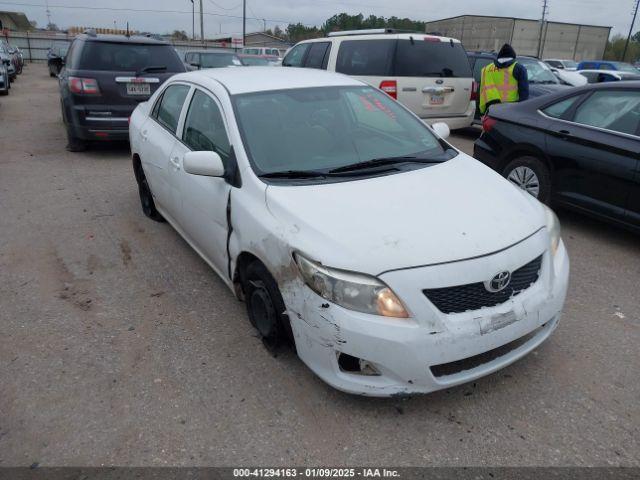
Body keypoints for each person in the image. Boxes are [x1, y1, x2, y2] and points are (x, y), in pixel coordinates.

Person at [479, 44, 529, 115]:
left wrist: (482, 111)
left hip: (490, 108)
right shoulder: (519, 68)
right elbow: (524, 94)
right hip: (510, 109)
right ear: (513, 57)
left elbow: (482, 90)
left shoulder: (486, 69)